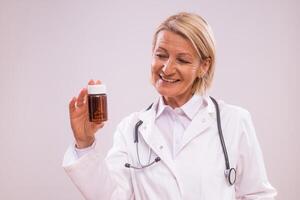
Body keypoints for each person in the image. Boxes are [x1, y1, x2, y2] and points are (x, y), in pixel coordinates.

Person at [63, 12, 277, 200]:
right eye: (161, 55)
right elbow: (111, 196)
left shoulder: (234, 121)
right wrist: (85, 142)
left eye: (182, 60)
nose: (167, 68)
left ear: (204, 66)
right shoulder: (131, 129)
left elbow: (257, 195)